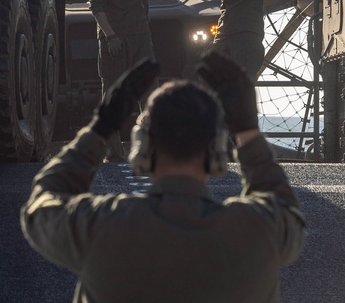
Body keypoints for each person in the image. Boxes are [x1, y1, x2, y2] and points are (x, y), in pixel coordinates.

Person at [20, 53, 306, 303]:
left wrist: (101, 127)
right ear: (216, 147)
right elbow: (285, 209)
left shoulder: (102, 225)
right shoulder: (258, 230)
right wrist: (248, 130)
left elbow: (41, 206)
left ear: (143, 147)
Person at [87, 0, 154, 158]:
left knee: (149, 93)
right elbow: (97, 6)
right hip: (115, 37)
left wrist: (146, 32)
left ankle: (148, 149)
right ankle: (113, 152)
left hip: (140, 36)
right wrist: (110, 35)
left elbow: (144, 2)